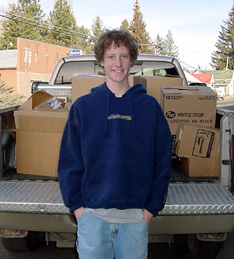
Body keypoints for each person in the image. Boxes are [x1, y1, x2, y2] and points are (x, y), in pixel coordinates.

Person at [58, 29, 172, 259]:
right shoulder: (84, 106)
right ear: (101, 60)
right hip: (92, 217)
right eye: (111, 56)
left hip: (135, 219)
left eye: (124, 56)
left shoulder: (149, 107)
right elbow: (70, 161)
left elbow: (162, 161)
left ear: (132, 60)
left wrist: (151, 209)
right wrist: (78, 209)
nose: (117, 63)